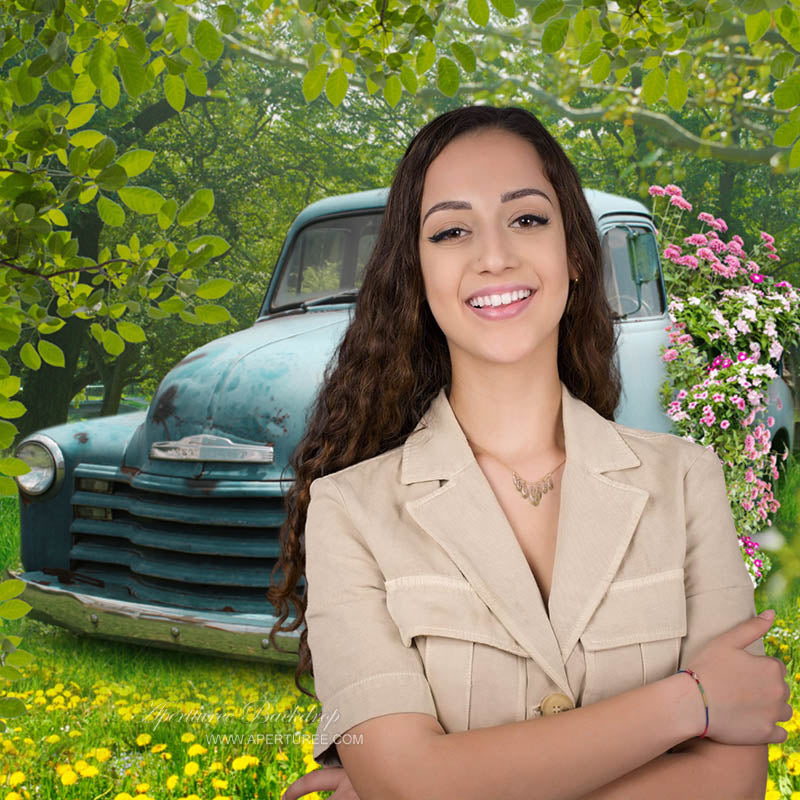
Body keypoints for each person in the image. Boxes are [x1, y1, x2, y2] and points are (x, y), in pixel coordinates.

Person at [270, 105, 792, 800]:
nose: (494, 256)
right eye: (452, 231)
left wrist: (437, 782)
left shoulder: (687, 482)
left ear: (575, 253)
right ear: (416, 275)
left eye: (527, 219)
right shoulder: (348, 511)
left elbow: (731, 786)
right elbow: (407, 784)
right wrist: (689, 703)